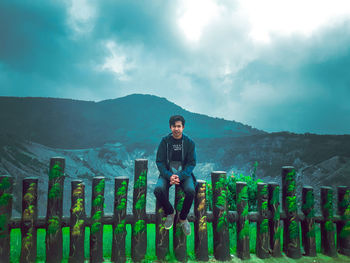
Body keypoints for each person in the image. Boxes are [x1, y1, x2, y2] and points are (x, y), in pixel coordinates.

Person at [154, 115, 197, 236]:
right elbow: (160, 162)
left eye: (179, 126)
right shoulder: (165, 141)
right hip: (167, 173)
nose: (176, 129)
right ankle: (170, 212)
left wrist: (180, 176)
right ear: (170, 127)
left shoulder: (189, 143)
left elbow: (191, 163)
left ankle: (183, 218)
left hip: (183, 174)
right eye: (174, 126)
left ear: (183, 127)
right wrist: (169, 176)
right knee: (158, 190)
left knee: (190, 191)